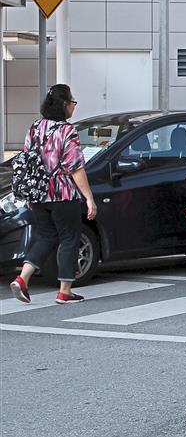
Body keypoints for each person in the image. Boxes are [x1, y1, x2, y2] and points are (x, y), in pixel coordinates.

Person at [9, 84, 98, 305]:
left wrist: (29, 196)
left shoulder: (35, 127)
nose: (74, 106)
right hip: (62, 194)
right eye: (73, 102)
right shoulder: (67, 131)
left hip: (38, 194)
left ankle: (22, 278)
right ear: (65, 105)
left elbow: (28, 159)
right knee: (69, 239)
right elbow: (75, 167)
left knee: (47, 236)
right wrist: (89, 198)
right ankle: (64, 292)